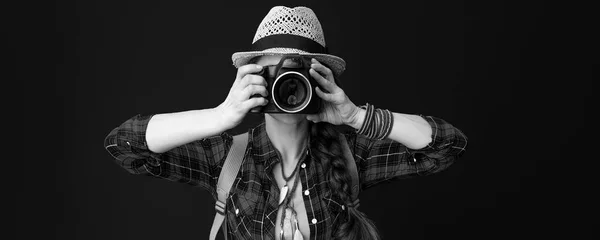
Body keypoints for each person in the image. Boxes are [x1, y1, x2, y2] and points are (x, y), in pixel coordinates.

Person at [104, 6, 468, 240]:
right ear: (253, 77)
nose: (285, 84)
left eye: (295, 73)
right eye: (272, 72)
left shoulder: (350, 153)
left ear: (320, 78)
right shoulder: (227, 157)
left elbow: (447, 145)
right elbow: (125, 145)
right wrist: (221, 115)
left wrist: (357, 116)